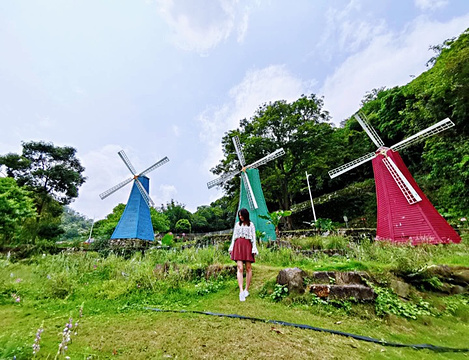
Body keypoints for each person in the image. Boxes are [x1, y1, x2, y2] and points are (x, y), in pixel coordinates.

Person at [228, 208, 258, 301]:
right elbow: (234, 237)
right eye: (239, 215)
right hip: (238, 245)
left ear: (246, 215)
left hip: (247, 246)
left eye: (242, 215)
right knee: (240, 268)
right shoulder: (237, 225)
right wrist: (231, 247)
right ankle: (241, 291)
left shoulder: (251, 225)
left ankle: (246, 289)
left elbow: (253, 237)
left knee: (248, 268)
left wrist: (254, 248)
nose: (240, 217)